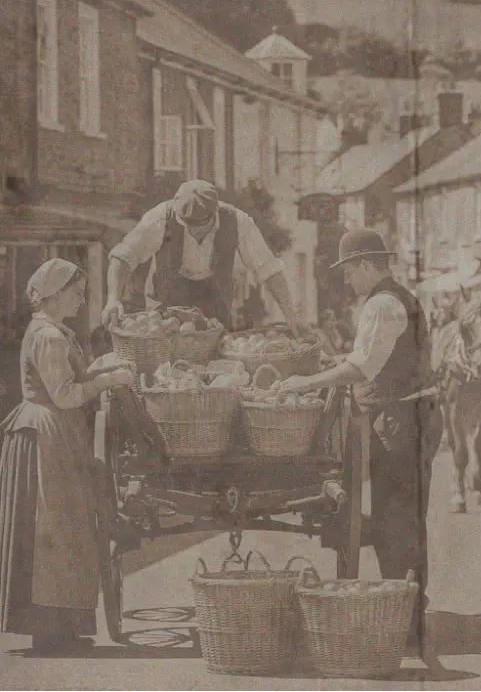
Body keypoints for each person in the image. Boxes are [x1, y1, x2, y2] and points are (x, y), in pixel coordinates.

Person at [281, 228, 443, 649]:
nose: (348, 281)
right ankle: (408, 610)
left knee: (396, 520)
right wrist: (337, 361)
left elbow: (363, 368)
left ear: (369, 266)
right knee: (403, 517)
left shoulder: (382, 303)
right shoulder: (398, 298)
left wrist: (304, 382)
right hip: (412, 411)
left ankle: (406, 621)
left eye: (351, 272)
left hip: (401, 418)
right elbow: (371, 358)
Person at [0, 259, 134, 652]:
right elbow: (64, 395)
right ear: (55, 293)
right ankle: (49, 630)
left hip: (53, 432)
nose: (81, 298)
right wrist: (110, 379)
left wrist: (100, 368)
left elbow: (68, 382)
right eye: (76, 291)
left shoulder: (52, 332)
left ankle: (60, 627)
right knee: (53, 530)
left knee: (63, 530)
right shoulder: (50, 337)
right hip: (47, 434)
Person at [101, 179, 307, 334]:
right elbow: (123, 256)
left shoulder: (238, 221)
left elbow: (269, 269)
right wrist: (112, 300)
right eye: (187, 227)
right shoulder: (160, 217)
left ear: (214, 214)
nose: (194, 233)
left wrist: (291, 315)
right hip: (164, 306)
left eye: (201, 228)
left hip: (214, 304)